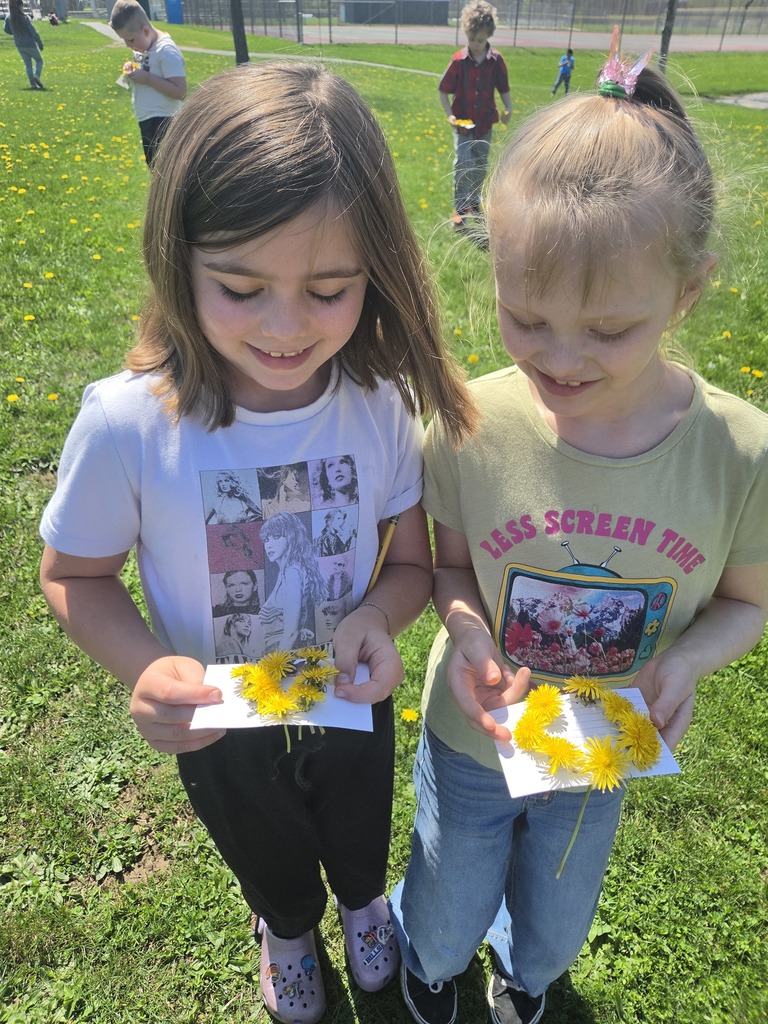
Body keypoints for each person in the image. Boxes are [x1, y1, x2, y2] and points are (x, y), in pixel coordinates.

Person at [39, 61, 476, 1024]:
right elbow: (73, 573)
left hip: (350, 700)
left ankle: (364, 908)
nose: (286, 328)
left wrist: (374, 615)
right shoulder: (128, 424)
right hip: (218, 721)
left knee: (360, 839)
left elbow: (410, 562)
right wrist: (148, 668)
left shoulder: (383, 405)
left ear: (377, 272)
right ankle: (285, 928)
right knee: (263, 849)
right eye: (240, 287)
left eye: (329, 289)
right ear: (176, 259)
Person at [391, 40, 768, 1024]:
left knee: (557, 922)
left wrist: (685, 663)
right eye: (526, 317)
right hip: (475, 735)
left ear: (688, 293)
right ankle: (434, 969)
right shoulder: (470, 418)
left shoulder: (740, 451)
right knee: (443, 903)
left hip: (600, 747)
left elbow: (744, 603)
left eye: (606, 330)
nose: (560, 356)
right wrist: (469, 630)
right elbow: (453, 564)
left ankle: (526, 975)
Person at [438, 0, 511, 231]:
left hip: (485, 125)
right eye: (471, 39)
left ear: (489, 35)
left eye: (480, 40)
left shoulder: (496, 61)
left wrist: (508, 108)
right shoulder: (459, 62)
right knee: (463, 166)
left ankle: (474, 203)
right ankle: (460, 209)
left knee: (479, 166)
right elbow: (443, 91)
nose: (475, 44)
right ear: (466, 34)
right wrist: (450, 115)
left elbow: (504, 89)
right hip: (463, 125)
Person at [109, 0, 186, 168]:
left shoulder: (166, 51)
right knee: (154, 167)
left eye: (130, 39)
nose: (128, 45)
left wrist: (148, 79)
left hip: (164, 120)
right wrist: (132, 70)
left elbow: (180, 91)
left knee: (165, 169)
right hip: (147, 119)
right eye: (124, 41)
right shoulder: (144, 47)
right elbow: (147, 69)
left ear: (145, 30)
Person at [259, 512, 327, 652]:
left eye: (276, 537)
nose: (269, 545)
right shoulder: (287, 571)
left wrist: (276, 668)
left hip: (279, 658)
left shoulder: (292, 573)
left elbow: (290, 633)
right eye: (267, 539)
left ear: (291, 538)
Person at [4, 0, 45, 91]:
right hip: (30, 44)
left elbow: (6, 30)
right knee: (39, 61)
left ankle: (32, 84)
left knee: (28, 65)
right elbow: (33, 32)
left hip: (19, 45)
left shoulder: (8, 17)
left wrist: (14, 32)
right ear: (20, 6)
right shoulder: (25, 18)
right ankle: (36, 76)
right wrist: (40, 43)